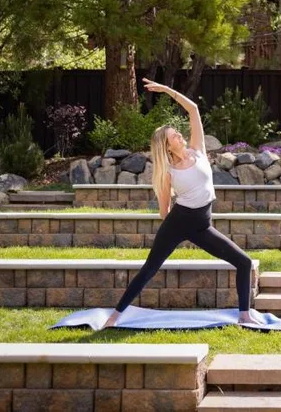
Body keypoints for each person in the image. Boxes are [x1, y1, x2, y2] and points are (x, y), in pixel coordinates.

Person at [102, 78, 262, 328]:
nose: (179, 134)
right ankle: (114, 317)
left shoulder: (198, 150)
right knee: (150, 269)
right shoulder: (168, 172)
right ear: (167, 147)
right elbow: (164, 210)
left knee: (244, 262)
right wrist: (171, 232)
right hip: (179, 222)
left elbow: (193, 109)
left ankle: (244, 315)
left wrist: (167, 90)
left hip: (202, 225)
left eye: (177, 132)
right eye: (173, 136)